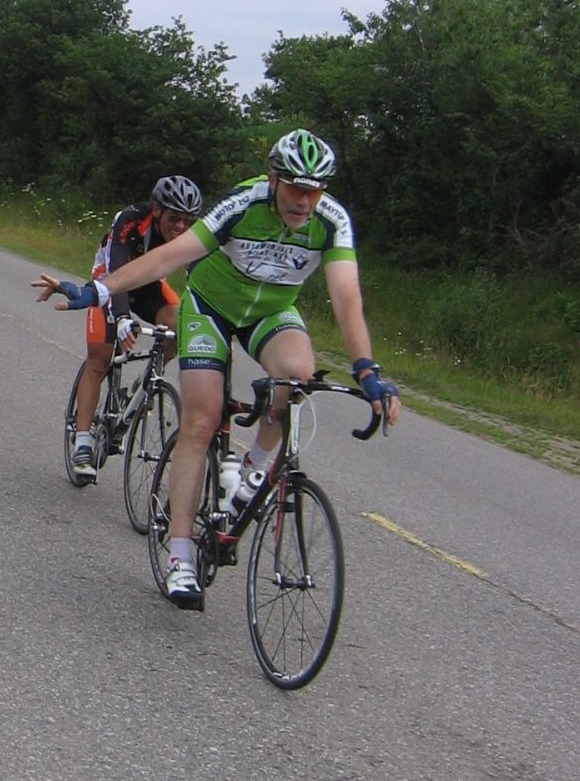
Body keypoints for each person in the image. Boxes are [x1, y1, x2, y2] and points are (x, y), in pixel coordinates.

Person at [34, 129, 401, 608]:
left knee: (299, 374)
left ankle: (251, 473)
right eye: (294, 187)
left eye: (315, 190)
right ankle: (181, 553)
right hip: (210, 308)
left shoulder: (331, 222)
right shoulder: (243, 204)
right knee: (202, 419)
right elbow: (171, 255)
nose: (304, 201)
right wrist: (99, 291)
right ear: (273, 180)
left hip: (271, 311)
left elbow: (347, 298)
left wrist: (367, 370)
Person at [64, 176, 203, 483]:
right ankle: (84, 442)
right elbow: (117, 270)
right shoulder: (130, 220)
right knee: (100, 358)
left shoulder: (193, 235)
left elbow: (201, 281)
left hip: (151, 284)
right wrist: (123, 317)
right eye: (174, 218)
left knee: (184, 326)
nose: (181, 227)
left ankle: (146, 382)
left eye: (187, 221)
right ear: (157, 209)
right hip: (112, 279)